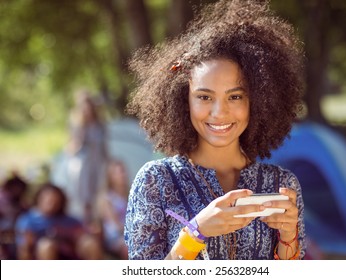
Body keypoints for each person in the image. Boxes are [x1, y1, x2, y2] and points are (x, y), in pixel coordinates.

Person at [124, 0, 306, 260]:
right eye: (204, 97)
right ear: (182, 100)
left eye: (235, 97)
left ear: (259, 100)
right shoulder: (155, 181)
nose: (219, 112)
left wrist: (288, 238)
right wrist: (195, 234)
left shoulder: (282, 185)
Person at [15, 183, 103, 260]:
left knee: (89, 242)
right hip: (41, 255)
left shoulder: (69, 220)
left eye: (55, 200)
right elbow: (23, 249)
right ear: (39, 199)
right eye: (49, 200)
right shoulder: (27, 220)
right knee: (46, 245)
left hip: (70, 254)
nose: (52, 203)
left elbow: (85, 231)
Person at [63, 90, 108, 225]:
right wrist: (81, 128)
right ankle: (85, 222)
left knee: (98, 192)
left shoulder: (100, 125)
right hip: (83, 164)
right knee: (84, 195)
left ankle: (96, 222)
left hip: (97, 162)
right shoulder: (77, 124)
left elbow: (104, 146)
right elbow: (72, 147)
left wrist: (108, 162)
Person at [97, 159, 129, 259]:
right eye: (117, 173)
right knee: (128, 248)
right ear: (110, 177)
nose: (122, 175)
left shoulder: (130, 193)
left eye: (122, 171)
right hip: (115, 237)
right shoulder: (106, 198)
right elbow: (115, 224)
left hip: (130, 232)